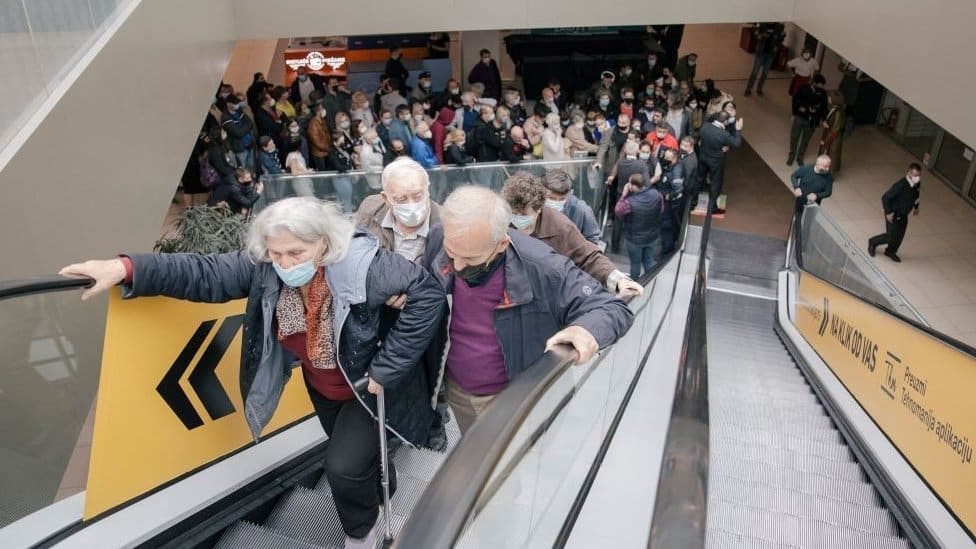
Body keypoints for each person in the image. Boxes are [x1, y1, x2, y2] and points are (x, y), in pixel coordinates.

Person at [60, 197, 447, 548]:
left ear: (325, 244)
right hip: (324, 386)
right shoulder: (265, 268)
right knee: (359, 463)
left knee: (342, 468)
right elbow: (204, 273)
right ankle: (383, 494)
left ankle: (361, 535)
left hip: (369, 387)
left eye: (297, 252)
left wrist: (387, 368)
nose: (286, 264)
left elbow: (427, 296)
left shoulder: (366, 264)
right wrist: (124, 267)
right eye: (277, 254)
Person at [422, 186, 635, 433]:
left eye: (470, 259)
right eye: (451, 254)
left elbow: (612, 307)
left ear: (501, 244)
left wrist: (585, 330)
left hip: (511, 399)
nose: (457, 266)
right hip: (457, 390)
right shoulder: (439, 236)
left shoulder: (544, 267)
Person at [502, 172, 642, 298]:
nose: (516, 217)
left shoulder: (561, 225)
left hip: (547, 293)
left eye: (523, 214)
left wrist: (618, 280)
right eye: (513, 213)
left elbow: (588, 256)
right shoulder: (500, 221)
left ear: (539, 209)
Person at [868, 163, 923, 263]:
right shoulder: (901, 185)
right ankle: (873, 242)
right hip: (893, 214)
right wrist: (888, 212)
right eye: (915, 175)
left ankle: (890, 251)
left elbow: (916, 195)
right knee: (891, 236)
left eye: (919, 175)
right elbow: (885, 197)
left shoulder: (917, 184)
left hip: (904, 214)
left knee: (899, 236)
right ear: (909, 173)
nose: (917, 178)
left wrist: (916, 207)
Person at [615, 173, 664, 280]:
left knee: (635, 264)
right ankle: (650, 281)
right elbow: (661, 210)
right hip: (651, 236)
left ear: (633, 186)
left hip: (634, 240)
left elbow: (618, 210)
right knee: (648, 261)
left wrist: (624, 194)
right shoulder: (656, 194)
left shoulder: (629, 202)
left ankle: (635, 285)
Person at [540, 168, 602, 244]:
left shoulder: (581, 209)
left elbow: (593, 238)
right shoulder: (535, 207)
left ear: (569, 193)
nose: (556, 202)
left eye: (562, 199)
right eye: (551, 198)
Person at [698, 112, 744, 212]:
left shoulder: (705, 126)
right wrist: (738, 130)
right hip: (716, 161)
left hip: (703, 156)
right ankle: (712, 207)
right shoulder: (724, 134)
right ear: (725, 122)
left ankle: (693, 202)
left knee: (699, 179)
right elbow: (736, 144)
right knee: (715, 182)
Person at [787, 74, 828, 167]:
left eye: (822, 86)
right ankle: (791, 155)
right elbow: (795, 99)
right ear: (814, 83)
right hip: (800, 117)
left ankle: (800, 157)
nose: (820, 88)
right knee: (794, 137)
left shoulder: (823, 93)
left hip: (812, 121)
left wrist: (823, 119)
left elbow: (824, 107)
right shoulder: (804, 88)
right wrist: (796, 110)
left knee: (806, 140)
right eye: (819, 85)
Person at [743, 23, 786, 97]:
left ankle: (759, 89)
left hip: (771, 54)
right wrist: (762, 35)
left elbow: (780, 39)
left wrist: (778, 44)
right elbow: (756, 35)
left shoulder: (779, 27)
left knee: (765, 74)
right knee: (754, 72)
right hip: (760, 53)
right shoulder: (762, 25)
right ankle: (748, 89)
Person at [819, 91, 846, 173]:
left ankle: (829, 174)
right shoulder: (835, 109)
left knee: (831, 156)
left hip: (833, 138)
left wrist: (825, 141)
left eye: (830, 97)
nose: (828, 99)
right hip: (830, 136)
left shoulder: (839, 112)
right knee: (827, 154)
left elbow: (835, 129)